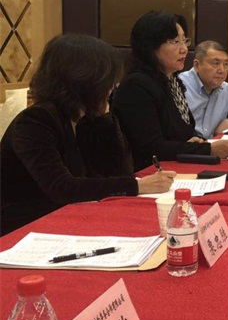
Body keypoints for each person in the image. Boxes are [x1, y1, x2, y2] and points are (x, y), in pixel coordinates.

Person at [0, 34, 176, 235]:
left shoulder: (83, 119)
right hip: (22, 227)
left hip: (65, 216)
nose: (112, 88)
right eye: (108, 80)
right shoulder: (36, 121)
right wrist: (137, 186)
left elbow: (120, 171)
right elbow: (61, 188)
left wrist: (105, 119)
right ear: (85, 80)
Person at [112, 12, 228, 171]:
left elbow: (180, 135)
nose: (184, 49)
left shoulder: (172, 81)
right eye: (175, 42)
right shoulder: (136, 85)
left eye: (184, 41)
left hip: (173, 168)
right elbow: (151, 147)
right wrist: (208, 149)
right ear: (151, 45)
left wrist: (193, 142)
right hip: (148, 174)